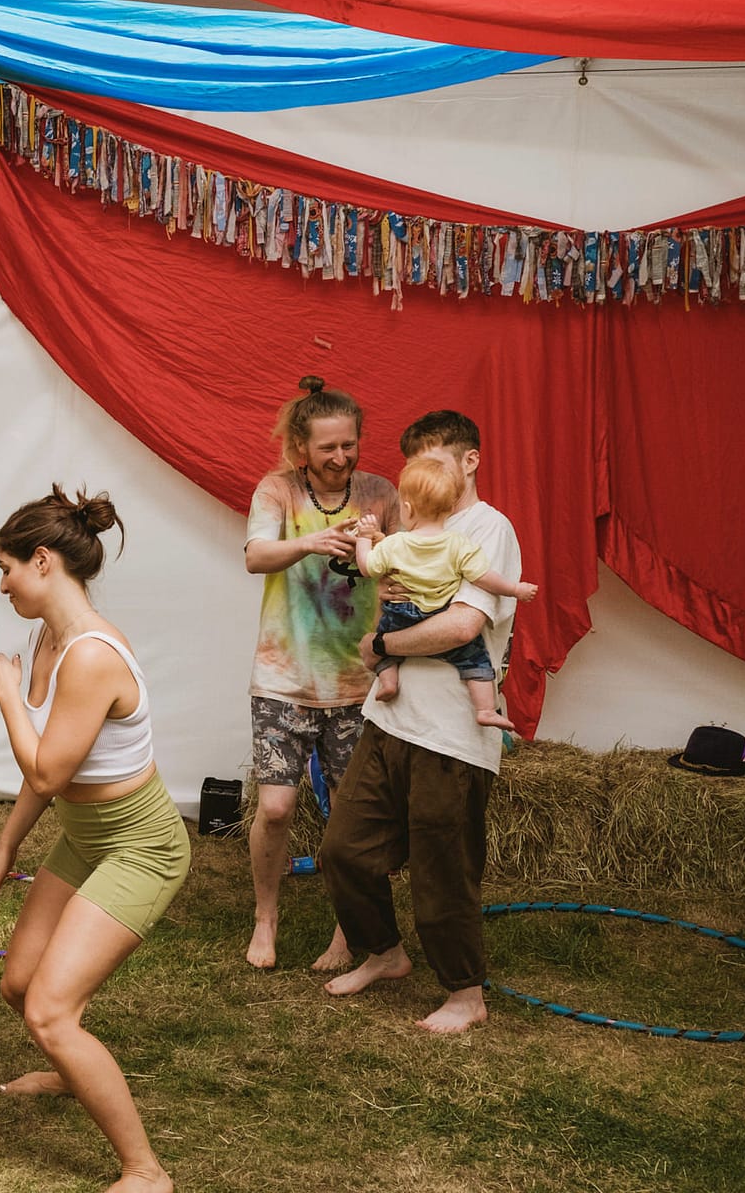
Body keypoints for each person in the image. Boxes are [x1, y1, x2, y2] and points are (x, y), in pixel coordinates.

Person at [0, 486, 189, 1193]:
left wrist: (6, 694)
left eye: (6, 568)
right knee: (20, 986)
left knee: (50, 1010)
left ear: (41, 561)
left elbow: (47, 766)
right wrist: (8, 846)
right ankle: (74, 1068)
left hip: (142, 847)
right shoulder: (47, 636)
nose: (0, 584)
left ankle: (145, 1171)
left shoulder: (92, 655)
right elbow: (50, 781)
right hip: (87, 837)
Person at [319, 410, 522, 1034]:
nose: (426, 473)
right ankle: (385, 953)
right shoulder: (411, 530)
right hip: (390, 721)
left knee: (443, 871)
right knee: (343, 851)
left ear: (470, 461)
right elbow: (387, 593)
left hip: (454, 735)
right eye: (418, 463)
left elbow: (463, 626)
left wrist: (380, 650)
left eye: (439, 459)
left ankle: (466, 993)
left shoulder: (489, 529)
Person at [241, 376, 396, 971]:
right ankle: (265, 918)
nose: (341, 458)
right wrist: (311, 543)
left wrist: (382, 551)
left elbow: (407, 574)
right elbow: (256, 556)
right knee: (277, 808)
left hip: (357, 683)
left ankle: (347, 929)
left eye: (349, 445)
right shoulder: (277, 491)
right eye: (328, 448)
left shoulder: (381, 493)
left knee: (351, 821)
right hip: (282, 678)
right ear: (300, 448)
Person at [351, 456, 537, 729]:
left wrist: (363, 538)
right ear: (450, 508)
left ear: (407, 508)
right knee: (475, 658)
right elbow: (483, 578)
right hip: (438, 612)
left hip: (402, 613)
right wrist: (514, 588)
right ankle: (486, 708)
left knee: (383, 645)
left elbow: (367, 567)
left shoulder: (397, 544)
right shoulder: (459, 544)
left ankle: (389, 681)